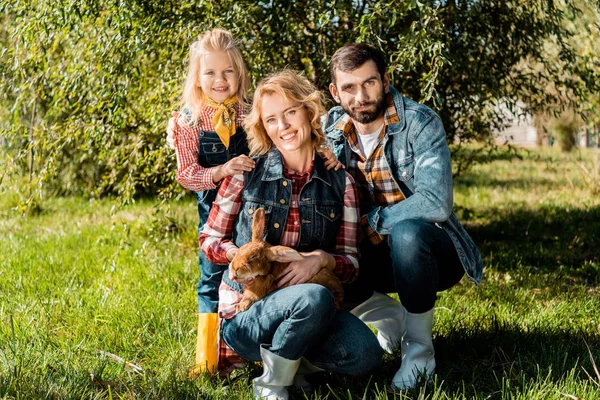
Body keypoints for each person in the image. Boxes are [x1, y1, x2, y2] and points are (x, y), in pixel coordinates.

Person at [199, 70, 383, 399]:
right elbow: (209, 239)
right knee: (313, 297)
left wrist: (322, 260)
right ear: (262, 128)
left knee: (364, 354)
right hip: (248, 314)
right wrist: (243, 256)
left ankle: (293, 359)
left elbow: (352, 264)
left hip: (315, 313)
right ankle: (272, 384)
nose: (282, 127)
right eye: (271, 120)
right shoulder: (246, 173)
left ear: (308, 111)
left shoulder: (342, 184)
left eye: (289, 113)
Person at [324, 43, 484, 390]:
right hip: (367, 253)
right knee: (319, 244)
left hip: (429, 253)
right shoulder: (328, 132)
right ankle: (391, 320)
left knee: (409, 231)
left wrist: (375, 222)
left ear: (385, 80)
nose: (361, 96)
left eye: (369, 83)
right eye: (349, 88)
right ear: (336, 92)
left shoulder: (420, 122)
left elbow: (436, 202)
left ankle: (419, 355)